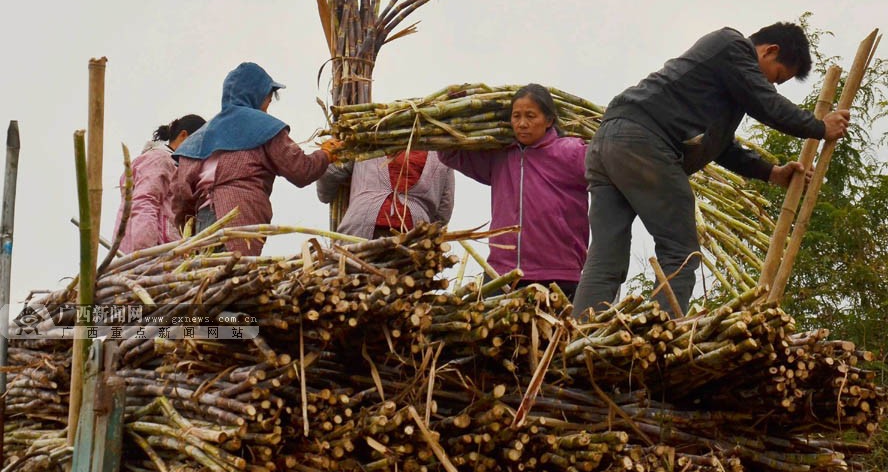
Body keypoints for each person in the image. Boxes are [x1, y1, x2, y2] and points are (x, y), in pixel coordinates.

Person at [572, 22, 851, 317]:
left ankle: (583, 334)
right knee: (681, 250)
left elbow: (721, 147)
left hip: (608, 145)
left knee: (606, 256)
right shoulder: (732, 45)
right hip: (643, 143)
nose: (769, 85)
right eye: (777, 77)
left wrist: (771, 172)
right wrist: (820, 127)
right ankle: (661, 333)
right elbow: (767, 104)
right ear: (770, 50)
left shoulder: (722, 85)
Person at [171, 62, 342, 255]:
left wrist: (187, 234)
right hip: (240, 223)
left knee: (208, 279)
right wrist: (326, 154)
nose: (267, 109)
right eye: (268, 101)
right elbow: (301, 170)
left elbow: (179, 198)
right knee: (232, 276)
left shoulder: (197, 140)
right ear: (257, 96)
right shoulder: (265, 127)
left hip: (201, 228)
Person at [438, 84, 588, 299]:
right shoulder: (501, 156)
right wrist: (453, 110)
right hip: (503, 272)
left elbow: (610, 170)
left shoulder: (572, 152)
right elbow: (450, 153)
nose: (522, 124)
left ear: (549, 120)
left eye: (530, 116)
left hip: (558, 272)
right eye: (516, 116)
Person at [112, 114, 206, 253]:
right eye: (200, 144)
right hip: (149, 251)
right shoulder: (160, 159)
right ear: (183, 135)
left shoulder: (173, 164)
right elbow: (144, 202)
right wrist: (145, 251)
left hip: (158, 251)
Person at [317, 151, 455, 239]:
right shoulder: (441, 154)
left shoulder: (367, 137)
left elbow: (329, 173)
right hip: (415, 233)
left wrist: (327, 195)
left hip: (360, 225)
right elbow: (443, 213)